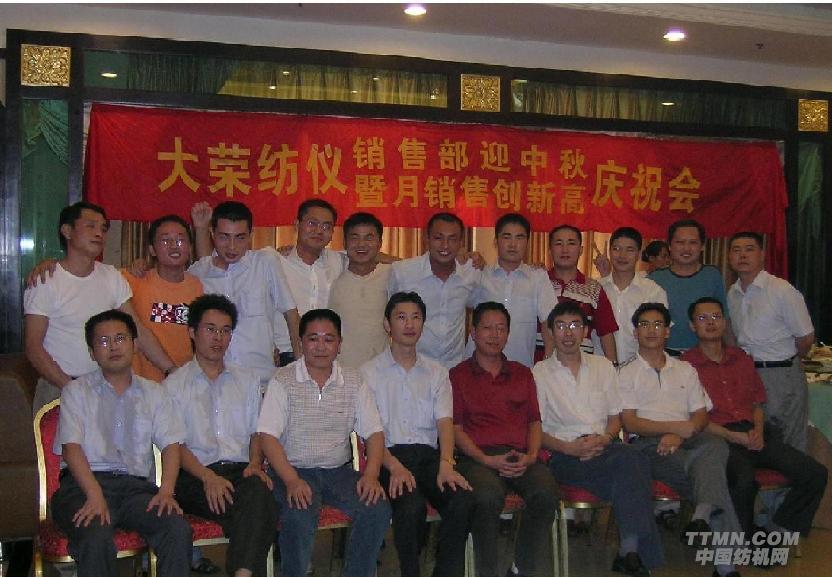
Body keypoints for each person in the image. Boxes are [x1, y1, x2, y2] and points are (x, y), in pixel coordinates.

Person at [51, 309, 191, 577]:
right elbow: (71, 448)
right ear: (92, 352)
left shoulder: (155, 393)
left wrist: (166, 491)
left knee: (175, 527)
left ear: (135, 345)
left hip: (135, 491)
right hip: (82, 487)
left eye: (120, 338)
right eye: (103, 341)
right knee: (95, 533)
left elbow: (171, 444)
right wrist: (94, 494)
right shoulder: (76, 391)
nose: (113, 347)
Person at [257, 309, 391, 577]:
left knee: (376, 507)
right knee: (299, 513)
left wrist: (372, 475)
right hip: (291, 470)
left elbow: (374, 432)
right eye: (313, 339)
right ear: (301, 342)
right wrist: (292, 480)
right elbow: (267, 437)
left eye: (329, 339)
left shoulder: (353, 380)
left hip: (338, 472)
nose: (320, 346)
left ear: (339, 344)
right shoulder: (283, 380)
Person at [535, 301, 663, 577]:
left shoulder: (603, 366)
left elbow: (615, 417)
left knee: (628, 469)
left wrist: (605, 438)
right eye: (560, 326)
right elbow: (536, 431)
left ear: (585, 331)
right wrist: (570, 447)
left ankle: (630, 552)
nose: (568, 333)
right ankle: (632, 553)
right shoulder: (539, 373)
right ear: (550, 332)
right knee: (633, 464)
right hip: (565, 455)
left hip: (605, 448)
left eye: (575, 325)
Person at [682, 297, 827, 538]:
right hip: (717, 438)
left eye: (716, 317)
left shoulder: (741, 358)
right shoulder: (685, 366)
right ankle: (743, 539)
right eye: (702, 318)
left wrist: (758, 430)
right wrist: (731, 436)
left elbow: (757, 403)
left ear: (725, 323)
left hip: (753, 433)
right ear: (692, 325)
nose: (711, 323)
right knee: (743, 480)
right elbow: (692, 418)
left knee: (814, 473)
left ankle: (778, 529)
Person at [620, 302, 742, 577]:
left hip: (688, 438)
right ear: (635, 333)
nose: (651, 330)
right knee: (712, 478)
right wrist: (673, 430)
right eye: (644, 325)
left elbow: (701, 415)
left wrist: (679, 433)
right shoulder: (626, 371)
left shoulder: (685, 368)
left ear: (667, 332)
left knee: (716, 445)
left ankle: (702, 514)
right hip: (649, 445)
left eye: (658, 324)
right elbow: (630, 422)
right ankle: (724, 563)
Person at [24, 201, 176, 414]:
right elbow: (33, 346)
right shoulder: (45, 280)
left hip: (107, 388)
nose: (99, 233)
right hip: (58, 388)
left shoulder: (111, 276)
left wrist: (171, 370)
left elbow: (138, 331)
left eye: (103, 228)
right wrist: (71, 388)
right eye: (90, 226)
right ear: (67, 231)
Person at [164, 294, 278, 577]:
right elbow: (175, 445)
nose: (218, 338)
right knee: (258, 508)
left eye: (225, 331)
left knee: (258, 491)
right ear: (192, 332)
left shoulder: (247, 380)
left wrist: (255, 463)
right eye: (211, 329)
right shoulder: (173, 386)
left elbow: (257, 432)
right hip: (195, 477)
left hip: (241, 472)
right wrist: (208, 477)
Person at [361, 292, 474, 577]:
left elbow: (445, 422)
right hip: (388, 457)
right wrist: (395, 467)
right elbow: (370, 432)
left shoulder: (437, 372)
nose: (409, 324)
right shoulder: (368, 373)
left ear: (423, 323)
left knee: (462, 499)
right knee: (411, 507)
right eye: (401, 317)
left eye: (416, 317)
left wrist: (446, 464)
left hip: (429, 457)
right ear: (387, 324)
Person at [450, 302, 559, 577]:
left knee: (546, 492)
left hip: (519, 456)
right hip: (477, 459)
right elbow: (455, 429)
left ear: (508, 334)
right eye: (487, 328)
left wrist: (531, 456)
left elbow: (534, 421)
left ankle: (520, 568)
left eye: (501, 329)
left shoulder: (522, 373)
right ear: (473, 332)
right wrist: (486, 459)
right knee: (486, 498)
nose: (494, 335)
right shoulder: (457, 375)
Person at [188, 201, 301, 382]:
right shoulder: (197, 272)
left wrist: (302, 367)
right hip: (215, 381)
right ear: (212, 234)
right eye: (224, 237)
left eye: (240, 237)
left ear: (251, 235)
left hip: (261, 380)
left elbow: (291, 313)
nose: (232, 246)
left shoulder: (265, 263)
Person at [726, 231, 815, 452]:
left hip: (781, 373)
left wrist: (787, 363)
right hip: (748, 374)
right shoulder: (732, 294)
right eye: (736, 250)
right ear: (729, 257)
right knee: (758, 440)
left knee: (790, 440)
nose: (742, 255)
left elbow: (806, 338)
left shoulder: (781, 290)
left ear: (762, 254)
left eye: (749, 249)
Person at [389, 213, 481, 368]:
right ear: (427, 239)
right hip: (412, 367)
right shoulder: (403, 272)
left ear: (461, 243)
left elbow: (482, 307)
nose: (445, 245)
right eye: (438, 238)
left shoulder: (471, 273)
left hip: (453, 369)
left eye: (452, 239)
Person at [469, 213, 556, 367]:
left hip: (520, 367)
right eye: (507, 237)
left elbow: (548, 322)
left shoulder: (538, 277)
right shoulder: (481, 274)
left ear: (527, 243)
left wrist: (549, 362)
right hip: (477, 368)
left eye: (519, 237)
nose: (513, 244)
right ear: (496, 241)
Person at [125, 214, 204, 383]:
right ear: (152, 249)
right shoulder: (133, 280)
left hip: (185, 384)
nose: (174, 246)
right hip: (141, 385)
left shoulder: (201, 287)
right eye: (166, 240)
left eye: (181, 240)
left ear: (190, 247)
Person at [271, 199, 348, 366]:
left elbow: (370, 255)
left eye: (326, 226)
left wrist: (403, 263)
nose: (319, 231)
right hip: (284, 356)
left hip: (327, 357)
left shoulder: (338, 261)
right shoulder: (275, 261)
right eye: (312, 223)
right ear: (297, 225)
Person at [649, 219, 732, 355]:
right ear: (669, 246)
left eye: (693, 242)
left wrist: (732, 354)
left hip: (705, 355)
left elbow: (724, 319)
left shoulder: (712, 275)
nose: (686, 248)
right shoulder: (655, 279)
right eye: (680, 242)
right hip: (665, 355)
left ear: (702, 246)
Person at [593, 227, 668, 365]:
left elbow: (661, 335)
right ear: (609, 251)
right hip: (600, 369)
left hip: (641, 369)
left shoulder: (653, 291)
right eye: (616, 249)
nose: (622, 255)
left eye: (629, 250)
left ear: (638, 254)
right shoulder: (594, 288)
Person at [547, 225, 618, 363]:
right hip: (543, 366)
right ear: (550, 250)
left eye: (571, 243)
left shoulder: (593, 288)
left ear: (581, 250)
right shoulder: (539, 283)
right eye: (559, 243)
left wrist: (613, 366)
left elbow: (606, 332)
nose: (565, 249)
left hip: (582, 367)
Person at [329, 212, 392, 368]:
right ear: (344, 242)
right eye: (355, 237)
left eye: (369, 238)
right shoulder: (332, 274)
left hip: (380, 370)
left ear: (380, 243)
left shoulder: (392, 275)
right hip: (339, 370)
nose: (361, 244)